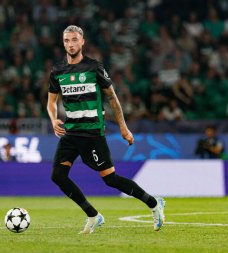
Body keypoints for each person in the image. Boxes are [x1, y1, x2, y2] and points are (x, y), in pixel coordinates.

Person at [46, 25, 165, 234]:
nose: (70, 44)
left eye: (74, 40)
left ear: (82, 42)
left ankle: (154, 204)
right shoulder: (58, 71)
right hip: (71, 133)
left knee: (110, 179)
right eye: (66, 40)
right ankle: (93, 215)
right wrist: (53, 118)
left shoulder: (94, 67)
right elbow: (51, 102)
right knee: (58, 175)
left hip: (92, 134)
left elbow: (112, 98)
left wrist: (124, 128)